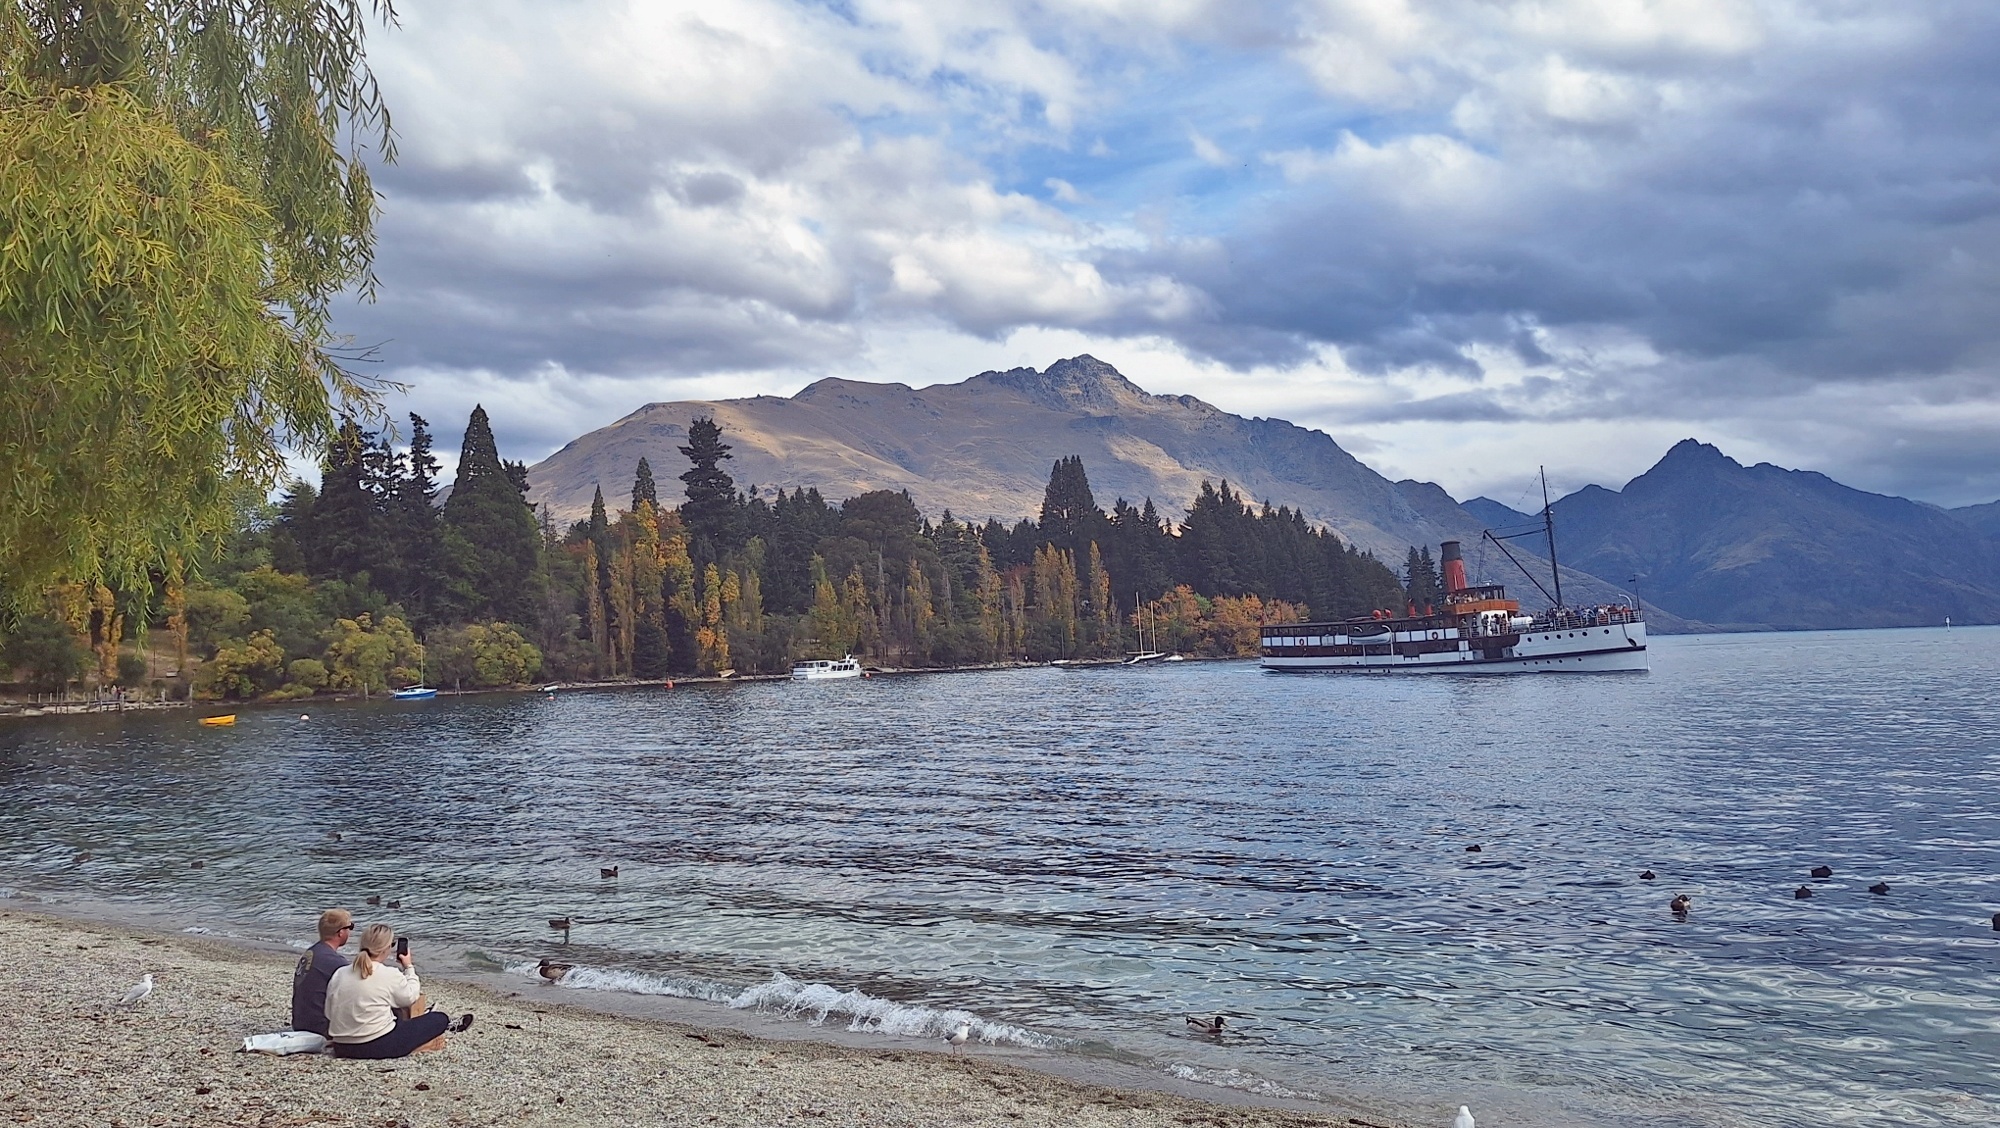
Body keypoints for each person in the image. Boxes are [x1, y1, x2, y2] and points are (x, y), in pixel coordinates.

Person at [325, 923, 470, 1059]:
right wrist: (408, 967)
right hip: (375, 1046)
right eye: (392, 945)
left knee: (395, 1013)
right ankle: (447, 1024)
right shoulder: (389, 973)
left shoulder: (340, 973)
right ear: (386, 948)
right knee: (439, 1018)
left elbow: (329, 1012)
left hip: (342, 1047)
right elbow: (411, 996)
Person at [290, 908, 352, 1035]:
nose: (350, 931)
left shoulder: (311, 952)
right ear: (340, 932)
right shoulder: (335, 962)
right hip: (319, 1027)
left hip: (300, 1022)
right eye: (350, 927)